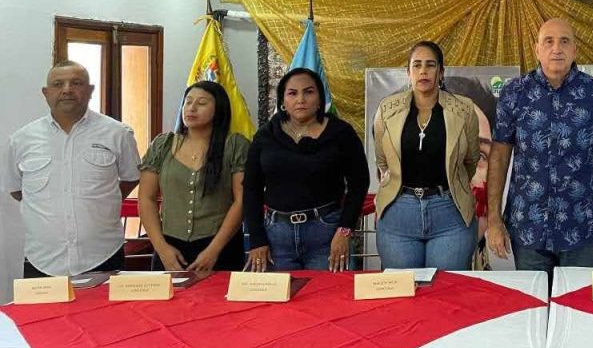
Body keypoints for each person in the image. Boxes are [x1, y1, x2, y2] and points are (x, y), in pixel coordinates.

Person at [486, 18, 593, 277]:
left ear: (575, 50)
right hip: (528, 230)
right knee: (534, 302)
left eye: (564, 41)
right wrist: (494, 221)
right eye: (548, 42)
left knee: (578, 302)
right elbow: (498, 158)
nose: (556, 49)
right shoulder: (515, 93)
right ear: (537, 49)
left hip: (583, 229)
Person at [2, 61, 140, 277]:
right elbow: (16, 190)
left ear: (90, 90)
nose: (67, 89)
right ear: (46, 93)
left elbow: (131, 177)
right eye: (58, 84)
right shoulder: (21, 140)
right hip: (42, 259)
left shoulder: (118, 133)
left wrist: (102, 202)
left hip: (103, 255)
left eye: (76, 83)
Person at [243, 67, 369, 272]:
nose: (300, 99)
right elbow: (251, 188)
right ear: (283, 101)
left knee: (330, 293)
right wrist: (257, 240)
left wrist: (345, 230)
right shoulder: (266, 135)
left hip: (327, 234)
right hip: (276, 238)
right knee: (278, 294)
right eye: (292, 93)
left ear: (320, 99)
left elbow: (359, 183)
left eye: (308, 92)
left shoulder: (341, 133)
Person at [372, 42, 480, 270]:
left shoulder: (464, 109)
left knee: (444, 289)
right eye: (417, 65)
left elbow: (470, 161)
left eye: (430, 65)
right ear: (408, 72)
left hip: (450, 214)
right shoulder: (386, 109)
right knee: (403, 289)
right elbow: (382, 160)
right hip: (398, 215)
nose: (423, 71)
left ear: (441, 72)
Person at [137, 81, 249, 272]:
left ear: (219, 109)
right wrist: (162, 248)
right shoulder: (163, 144)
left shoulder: (235, 145)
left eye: (202, 103)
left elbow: (241, 200)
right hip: (169, 247)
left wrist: (213, 251)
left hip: (221, 246)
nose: (192, 108)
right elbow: (146, 198)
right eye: (188, 102)